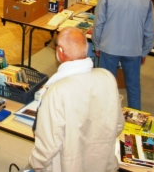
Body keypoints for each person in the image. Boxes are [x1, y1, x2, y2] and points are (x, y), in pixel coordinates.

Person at [27, 28, 123, 172]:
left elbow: (48, 146)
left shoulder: (56, 91)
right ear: (86, 48)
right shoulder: (107, 77)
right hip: (102, 163)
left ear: (60, 51)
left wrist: (35, 165)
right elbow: (118, 124)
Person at [92, 0, 154, 110]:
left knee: (107, 84)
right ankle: (134, 118)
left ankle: (106, 114)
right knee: (133, 85)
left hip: (109, 47)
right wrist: (144, 51)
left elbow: (98, 24)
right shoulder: (146, 1)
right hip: (134, 50)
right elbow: (149, 32)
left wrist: (97, 45)